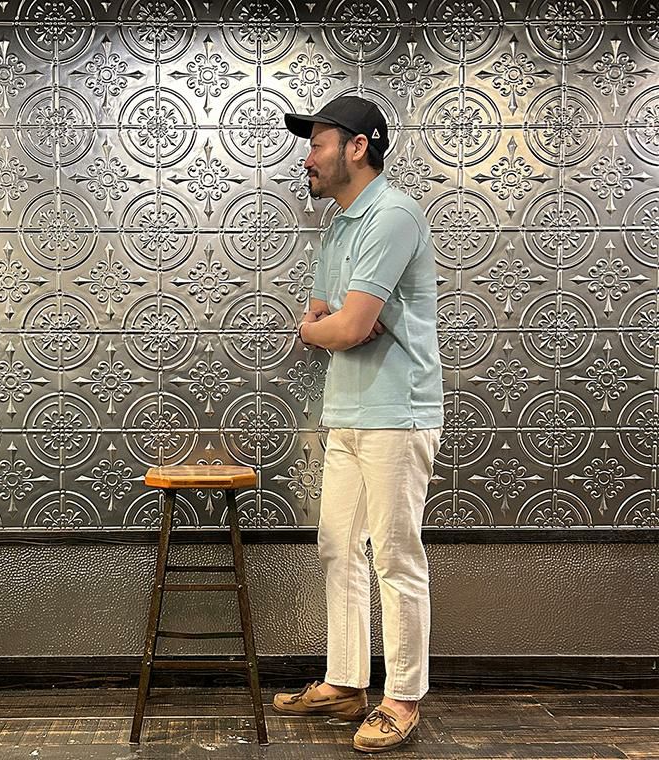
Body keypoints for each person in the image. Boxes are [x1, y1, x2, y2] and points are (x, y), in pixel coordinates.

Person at [271, 95, 443, 753]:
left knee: (395, 554)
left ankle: (402, 699)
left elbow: (341, 326)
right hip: (346, 409)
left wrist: (337, 326)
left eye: (317, 144)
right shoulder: (339, 227)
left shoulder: (393, 215)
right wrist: (334, 327)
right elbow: (324, 321)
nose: (307, 158)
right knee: (338, 547)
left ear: (357, 147)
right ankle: (346, 683)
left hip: (398, 413)